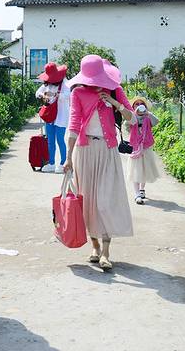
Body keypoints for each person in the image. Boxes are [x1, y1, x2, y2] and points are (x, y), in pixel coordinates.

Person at [63, 54, 135, 270]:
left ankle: (106, 252)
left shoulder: (114, 90)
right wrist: (68, 157)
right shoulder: (77, 93)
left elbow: (132, 118)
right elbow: (73, 124)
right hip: (84, 151)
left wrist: (113, 102)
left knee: (105, 201)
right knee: (88, 202)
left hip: (107, 150)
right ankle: (95, 247)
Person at [124, 96, 160, 204]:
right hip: (135, 147)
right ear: (133, 106)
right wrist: (133, 115)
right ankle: (137, 194)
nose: (139, 106)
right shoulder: (132, 116)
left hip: (146, 146)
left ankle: (142, 189)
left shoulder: (148, 117)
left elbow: (156, 121)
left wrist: (147, 113)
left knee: (144, 169)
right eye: (137, 104)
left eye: (142, 104)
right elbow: (126, 125)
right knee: (136, 170)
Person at [35, 62, 70, 173]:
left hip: (61, 117)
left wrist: (57, 95)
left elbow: (69, 95)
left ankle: (63, 163)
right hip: (49, 117)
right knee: (50, 141)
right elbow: (37, 93)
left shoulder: (65, 84)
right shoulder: (47, 85)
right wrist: (43, 95)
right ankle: (51, 163)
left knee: (60, 140)